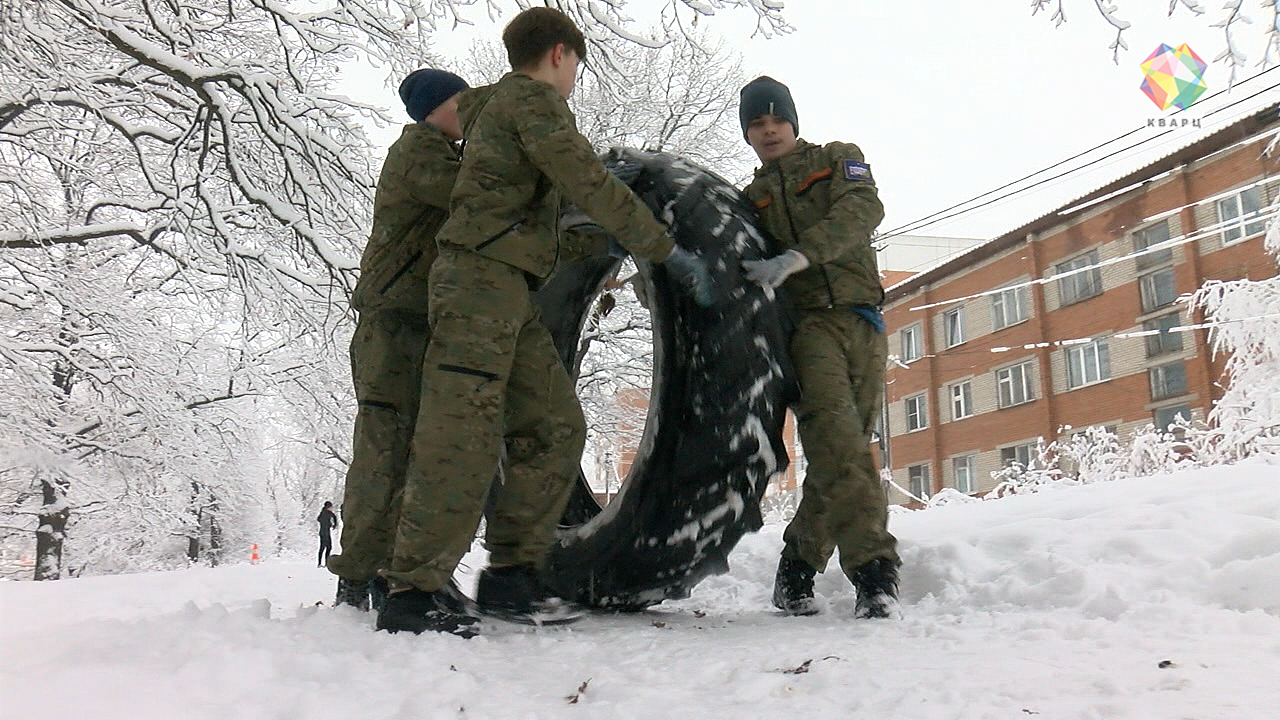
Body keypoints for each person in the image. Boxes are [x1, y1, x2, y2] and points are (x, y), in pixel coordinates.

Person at [376, 6, 715, 637]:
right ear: (559, 54)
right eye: (577, 66)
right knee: (462, 436)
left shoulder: (506, 118)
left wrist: (618, 251)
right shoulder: (531, 104)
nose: (575, 79)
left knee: (557, 425)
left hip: (509, 291)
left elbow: (547, 212)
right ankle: (412, 590)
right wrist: (666, 251)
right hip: (477, 288)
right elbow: (585, 184)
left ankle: (510, 575)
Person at [737, 76, 901, 619]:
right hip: (807, 330)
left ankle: (796, 568)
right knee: (842, 447)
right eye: (756, 124)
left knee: (842, 453)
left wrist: (800, 255)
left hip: (865, 321)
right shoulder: (750, 200)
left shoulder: (837, 158)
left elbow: (862, 212)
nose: (768, 131)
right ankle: (875, 575)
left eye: (775, 120)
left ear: (792, 122)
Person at [324, 68, 470, 610]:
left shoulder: (440, 154)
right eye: (462, 101)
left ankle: (392, 568)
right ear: (439, 106)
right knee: (384, 449)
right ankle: (359, 571)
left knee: (413, 452)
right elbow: (471, 197)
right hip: (392, 323)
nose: (470, 109)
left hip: (414, 322)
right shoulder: (419, 152)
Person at [317, 501, 339, 568]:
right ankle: (323, 563)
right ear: (328, 507)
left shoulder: (324, 512)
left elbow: (319, 519)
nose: (331, 508)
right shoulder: (326, 513)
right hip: (325, 532)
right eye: (330, 507)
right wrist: (332, 524)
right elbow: (323, 520)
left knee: (325, 547)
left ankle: (322, 563)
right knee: (326, 547)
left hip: (324, 532)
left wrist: (333, 524)